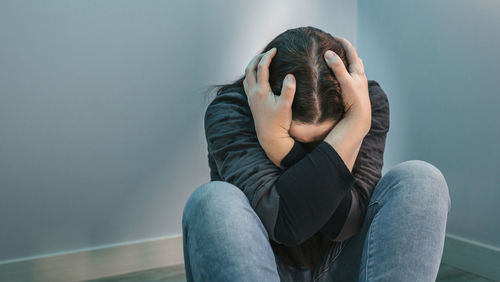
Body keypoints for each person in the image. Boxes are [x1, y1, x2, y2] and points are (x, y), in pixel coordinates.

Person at [182, 26, 451, 281]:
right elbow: (283, 225)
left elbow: (349, 222)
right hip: (264, 264)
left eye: (330, 140)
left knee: (422, 179)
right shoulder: (231, 111)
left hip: (346, 262)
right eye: (295, 138)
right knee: (213, 200)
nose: (318, 149)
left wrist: (284, 149)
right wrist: (331, 144)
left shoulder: (365, 106)